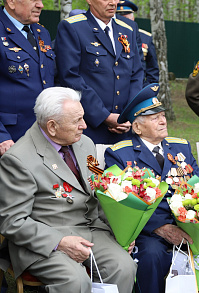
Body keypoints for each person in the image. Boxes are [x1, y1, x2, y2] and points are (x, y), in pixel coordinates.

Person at [0, 87, 137, 292]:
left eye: (83, 118)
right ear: (52, 126)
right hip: (47, 239)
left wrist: (121, 228)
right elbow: (13, 221)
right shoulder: (19, 159)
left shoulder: (85, 144)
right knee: (74, 281)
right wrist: (60, 241)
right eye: (77, 121)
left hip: (90, 229)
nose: (84, 125)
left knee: (124, 267)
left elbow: (99, 187)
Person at [104, 83, 199, 293]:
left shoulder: (180, 146)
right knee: (152, 255)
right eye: (155, 118)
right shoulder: (120, 154)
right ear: (137, 127)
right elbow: (119, 203)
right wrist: (160, 228)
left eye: (163, 115)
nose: (163, 121)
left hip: (188, 224)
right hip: (149, 230)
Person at [55, 0, 144, 145]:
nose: (113, 2)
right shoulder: (73, 28)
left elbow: (137, 73)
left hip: (126, 126)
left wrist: (129, 113)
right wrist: (104, 116)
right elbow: (70, 77)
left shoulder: (129, 29)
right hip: (90, 126)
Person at [0, 0, 55, 155]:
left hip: (44, 136)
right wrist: (1, 136)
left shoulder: (41, 32)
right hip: (10, 138)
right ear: (11, 0)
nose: (40, 4)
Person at [116, 0, 159, 85]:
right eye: (121, 19)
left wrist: (146, 89)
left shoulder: (146, 37)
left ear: (133, 18)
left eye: (127, 19)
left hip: (139, 87)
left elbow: (152, 69)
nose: (124, 23)